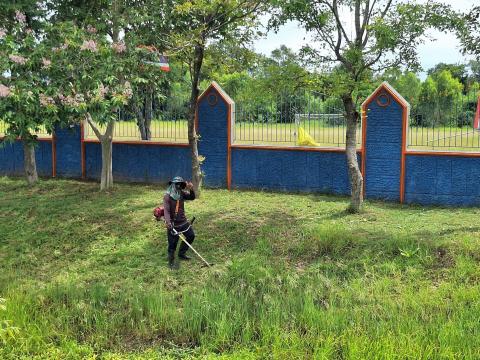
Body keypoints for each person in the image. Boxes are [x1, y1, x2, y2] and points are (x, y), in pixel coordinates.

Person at [163, 176, 195, 269]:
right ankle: (171, 262)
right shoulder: (167, 196)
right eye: (177, 184)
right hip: (173, 224)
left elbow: (192, 197)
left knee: (191, 236)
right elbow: (166, 211)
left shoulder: (181, 193)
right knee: (172, 244)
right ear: (172, 185)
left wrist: (191, 189)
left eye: (180, 184)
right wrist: (168, 222)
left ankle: (182, 254)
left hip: (183, 221)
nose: (178, 186)